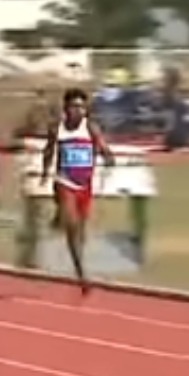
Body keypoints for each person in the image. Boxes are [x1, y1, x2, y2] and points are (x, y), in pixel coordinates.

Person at [40, 88, 116, 295]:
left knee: (81, 232)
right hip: (64, 182)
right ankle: (82, 275)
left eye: (82, 107)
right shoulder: (57, 129)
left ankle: (60, 218)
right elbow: (48, 152)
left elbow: (104, 149)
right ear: (66, 108)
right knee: (72, 228)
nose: (78, 111)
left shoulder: (90, 128)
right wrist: (45, 172)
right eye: (74, 106)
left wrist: (108, 157)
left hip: (85, 185)